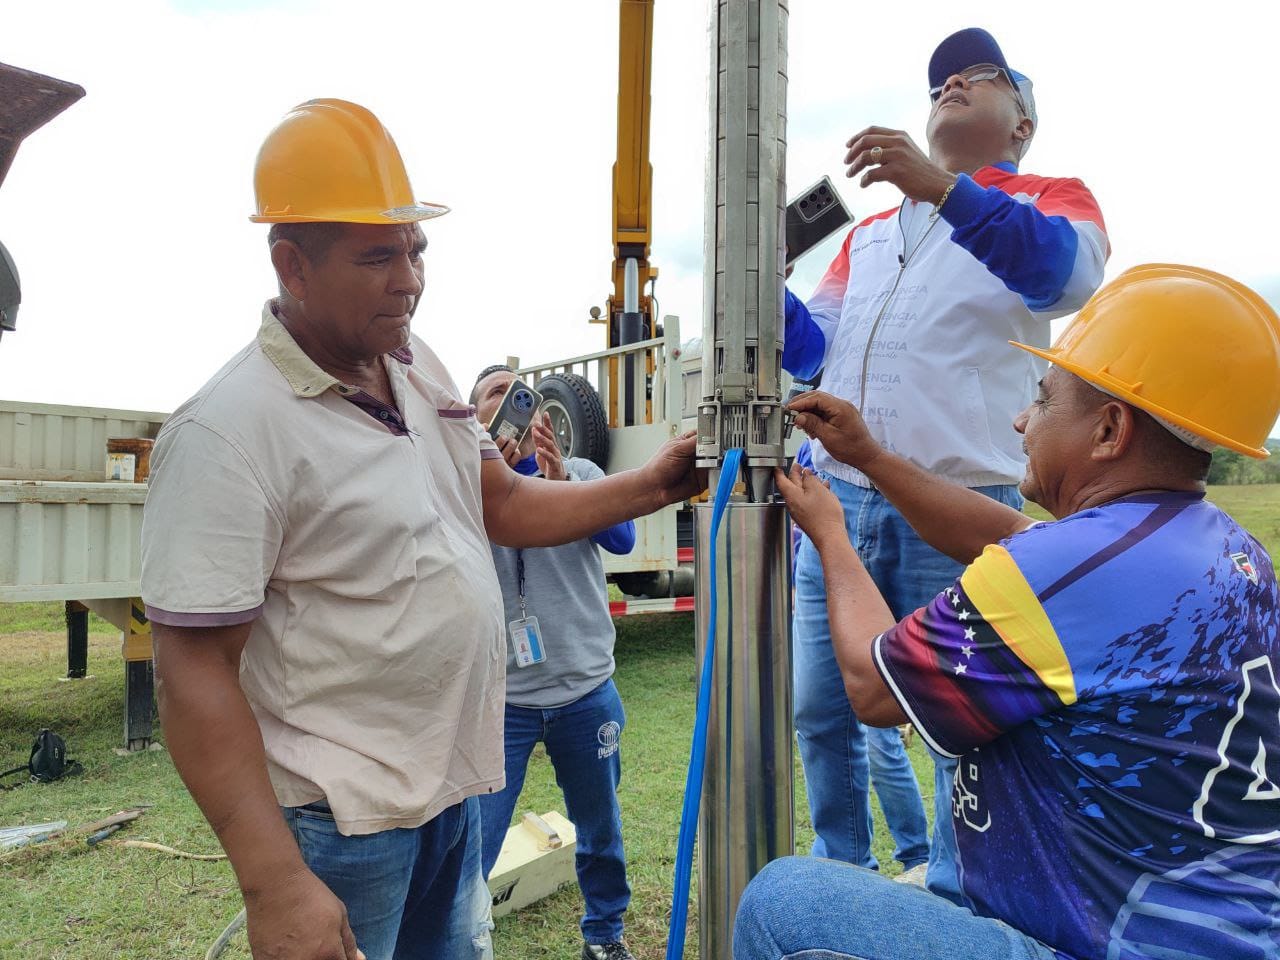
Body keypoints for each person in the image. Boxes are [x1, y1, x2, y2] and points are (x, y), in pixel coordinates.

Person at [139, 99, 703, 960]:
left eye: (416, 250)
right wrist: (276, 883)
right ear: (291, 265)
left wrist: (651, 485)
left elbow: (500, 500)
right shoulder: (228, 433)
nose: (409, 280)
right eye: (377, 257)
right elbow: (193, 671)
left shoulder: (412, 364)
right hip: (344, 824)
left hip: (449, 792)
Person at [734, 263, 1280, 960]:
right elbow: (1012, 536)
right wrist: (870, 456)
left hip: (1105, 947)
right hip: (1225, 932)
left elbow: (873, 688)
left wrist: (832, 537)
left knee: (783, 901)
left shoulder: (1062, 571)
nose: (1022, 420)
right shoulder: (1221, 549)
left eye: (1044, 401)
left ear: (1109, 430)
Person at [781, 26, 1109, 896]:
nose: (951, 84)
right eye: (939, 82)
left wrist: (941, 188)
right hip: (839, 493)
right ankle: (843, 877)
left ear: (1022, 124)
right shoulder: (869, 234)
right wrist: (759, 284)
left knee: (959, 725)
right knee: (823, 709)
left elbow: (1068, 277)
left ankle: (956, 892)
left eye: (978, 75)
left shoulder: (1052, 198)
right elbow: (813, 352)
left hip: (959, 504)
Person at [471, 365, 638, 960]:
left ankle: (605, 935)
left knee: (599, 827)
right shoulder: (466, 488)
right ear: (475, 419)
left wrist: (562, 484)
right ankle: (466, 936)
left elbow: (624, 541)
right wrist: (480, 477)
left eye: (522, 393)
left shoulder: (582, 473)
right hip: (505, 701)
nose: (513, 400)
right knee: (477, 836)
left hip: (584, 690)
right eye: (496, 394)